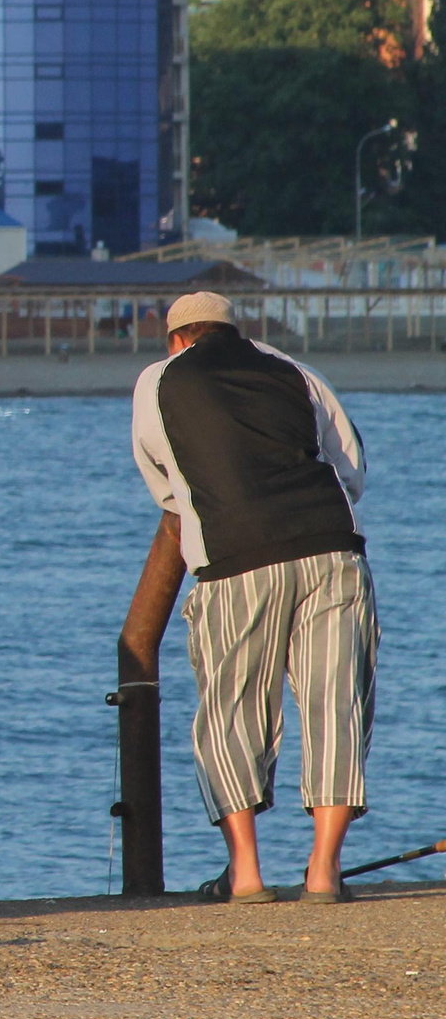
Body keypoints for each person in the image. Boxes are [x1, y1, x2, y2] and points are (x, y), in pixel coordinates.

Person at [131, 291, 375, 904]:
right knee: (335, 704)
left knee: (231, 709)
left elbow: (163, 480)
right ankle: (324, 871)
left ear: (177, 339)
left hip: (234, 559)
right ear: (234, 330)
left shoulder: (159, 380)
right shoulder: (294, 370)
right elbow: (351, 467)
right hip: (329, 547)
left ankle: (245, 874)